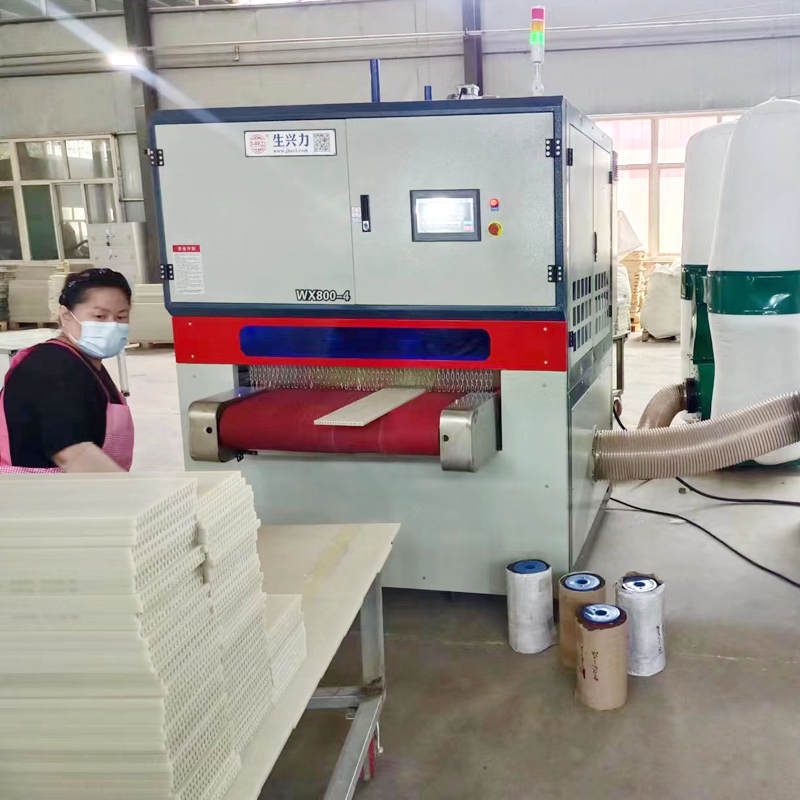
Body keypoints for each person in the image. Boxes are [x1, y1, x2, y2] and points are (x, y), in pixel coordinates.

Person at [0, 268, 134, 473]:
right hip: (36, 490)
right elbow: (73, 453)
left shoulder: (86, 364)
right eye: (100, 316)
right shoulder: (50, 366)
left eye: (121, 316)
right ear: (65, 316)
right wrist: (128, 490)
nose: (113, 326)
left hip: (83, 487)